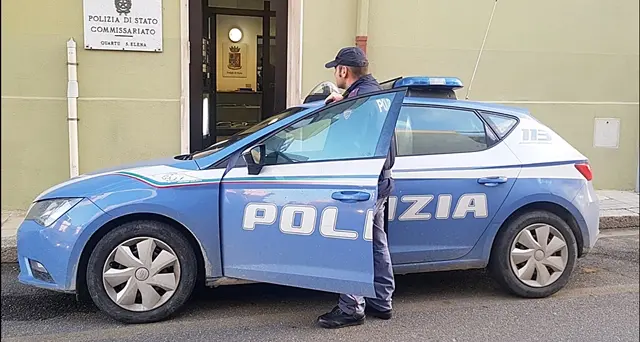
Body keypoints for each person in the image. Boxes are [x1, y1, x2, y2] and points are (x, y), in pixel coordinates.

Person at [316, 46, 396, 329]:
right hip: (380, 179)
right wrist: (344, 101)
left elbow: (346, 141)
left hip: (359, 182)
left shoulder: (359, 100)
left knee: (350, 241)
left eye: (335, 69)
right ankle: (382, 300)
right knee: (375, 240)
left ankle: (351, 307)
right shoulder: (378, 94)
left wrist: (337, 109)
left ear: (343, 71)